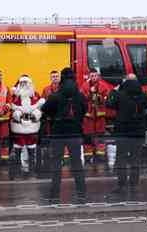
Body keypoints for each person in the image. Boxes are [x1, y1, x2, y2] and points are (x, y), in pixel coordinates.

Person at [42, 67, 87, 202]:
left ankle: (55, 194)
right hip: (75, 134)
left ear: (61, 78)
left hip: (58, 135)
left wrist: (55, 116)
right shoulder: (80, 96)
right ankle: (81, 192)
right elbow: (85, 109)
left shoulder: (56, 95)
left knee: (56, 164)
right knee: (77, 163)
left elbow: (45, 109)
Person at [106, 73, 147, 192]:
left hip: (123, 132)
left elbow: (109, 104)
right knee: (135, 159)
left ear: (125, 81)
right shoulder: (143, 94)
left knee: (121, 158)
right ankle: (134, 185)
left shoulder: (120, 94)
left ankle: (121, 185)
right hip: (138, 132)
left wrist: (113, 91)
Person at [9, 75, 45, 179]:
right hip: (18, 127)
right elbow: (11, 107)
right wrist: (17, 114)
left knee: (32, 149)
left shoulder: (35, 95)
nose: (24, 85)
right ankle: (17, 170)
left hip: (32, 126)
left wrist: (37, 114)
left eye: (26, 83)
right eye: (22, 83)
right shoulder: (15, 96)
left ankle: (32, 170)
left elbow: (39, 107)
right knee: (18, 149)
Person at [80, 68, 110, 163]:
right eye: (92, 76)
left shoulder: (103, 86)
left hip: (99, 117)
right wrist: (90, 92)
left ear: (98, 76)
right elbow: (81, 99)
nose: (94, 77)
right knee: (88, 137)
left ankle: (100, 156)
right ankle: (88, 157)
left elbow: (107, 98)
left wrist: (99, 97)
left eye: (95, 75)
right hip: (88, 117)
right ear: (89, 76)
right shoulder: (84, 86)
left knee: (100, 136)